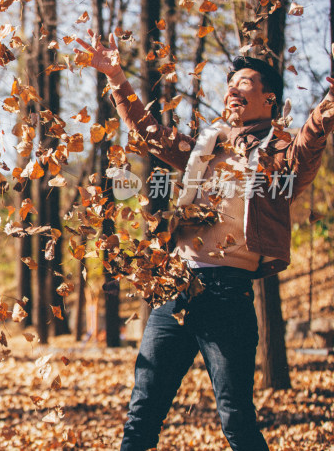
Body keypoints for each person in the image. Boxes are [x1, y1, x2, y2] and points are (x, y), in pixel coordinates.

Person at [77, 31, 334, 451]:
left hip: (228, 296)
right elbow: (150, 134)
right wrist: (116, 78)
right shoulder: (206, 144)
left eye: (244, 83)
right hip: (176, 289)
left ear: (269, 98)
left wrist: (327, 105)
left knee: (236, 420)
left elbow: (307, 148)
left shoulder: (279, 153)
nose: (232, 89)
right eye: (230, 84)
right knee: (142, 413)